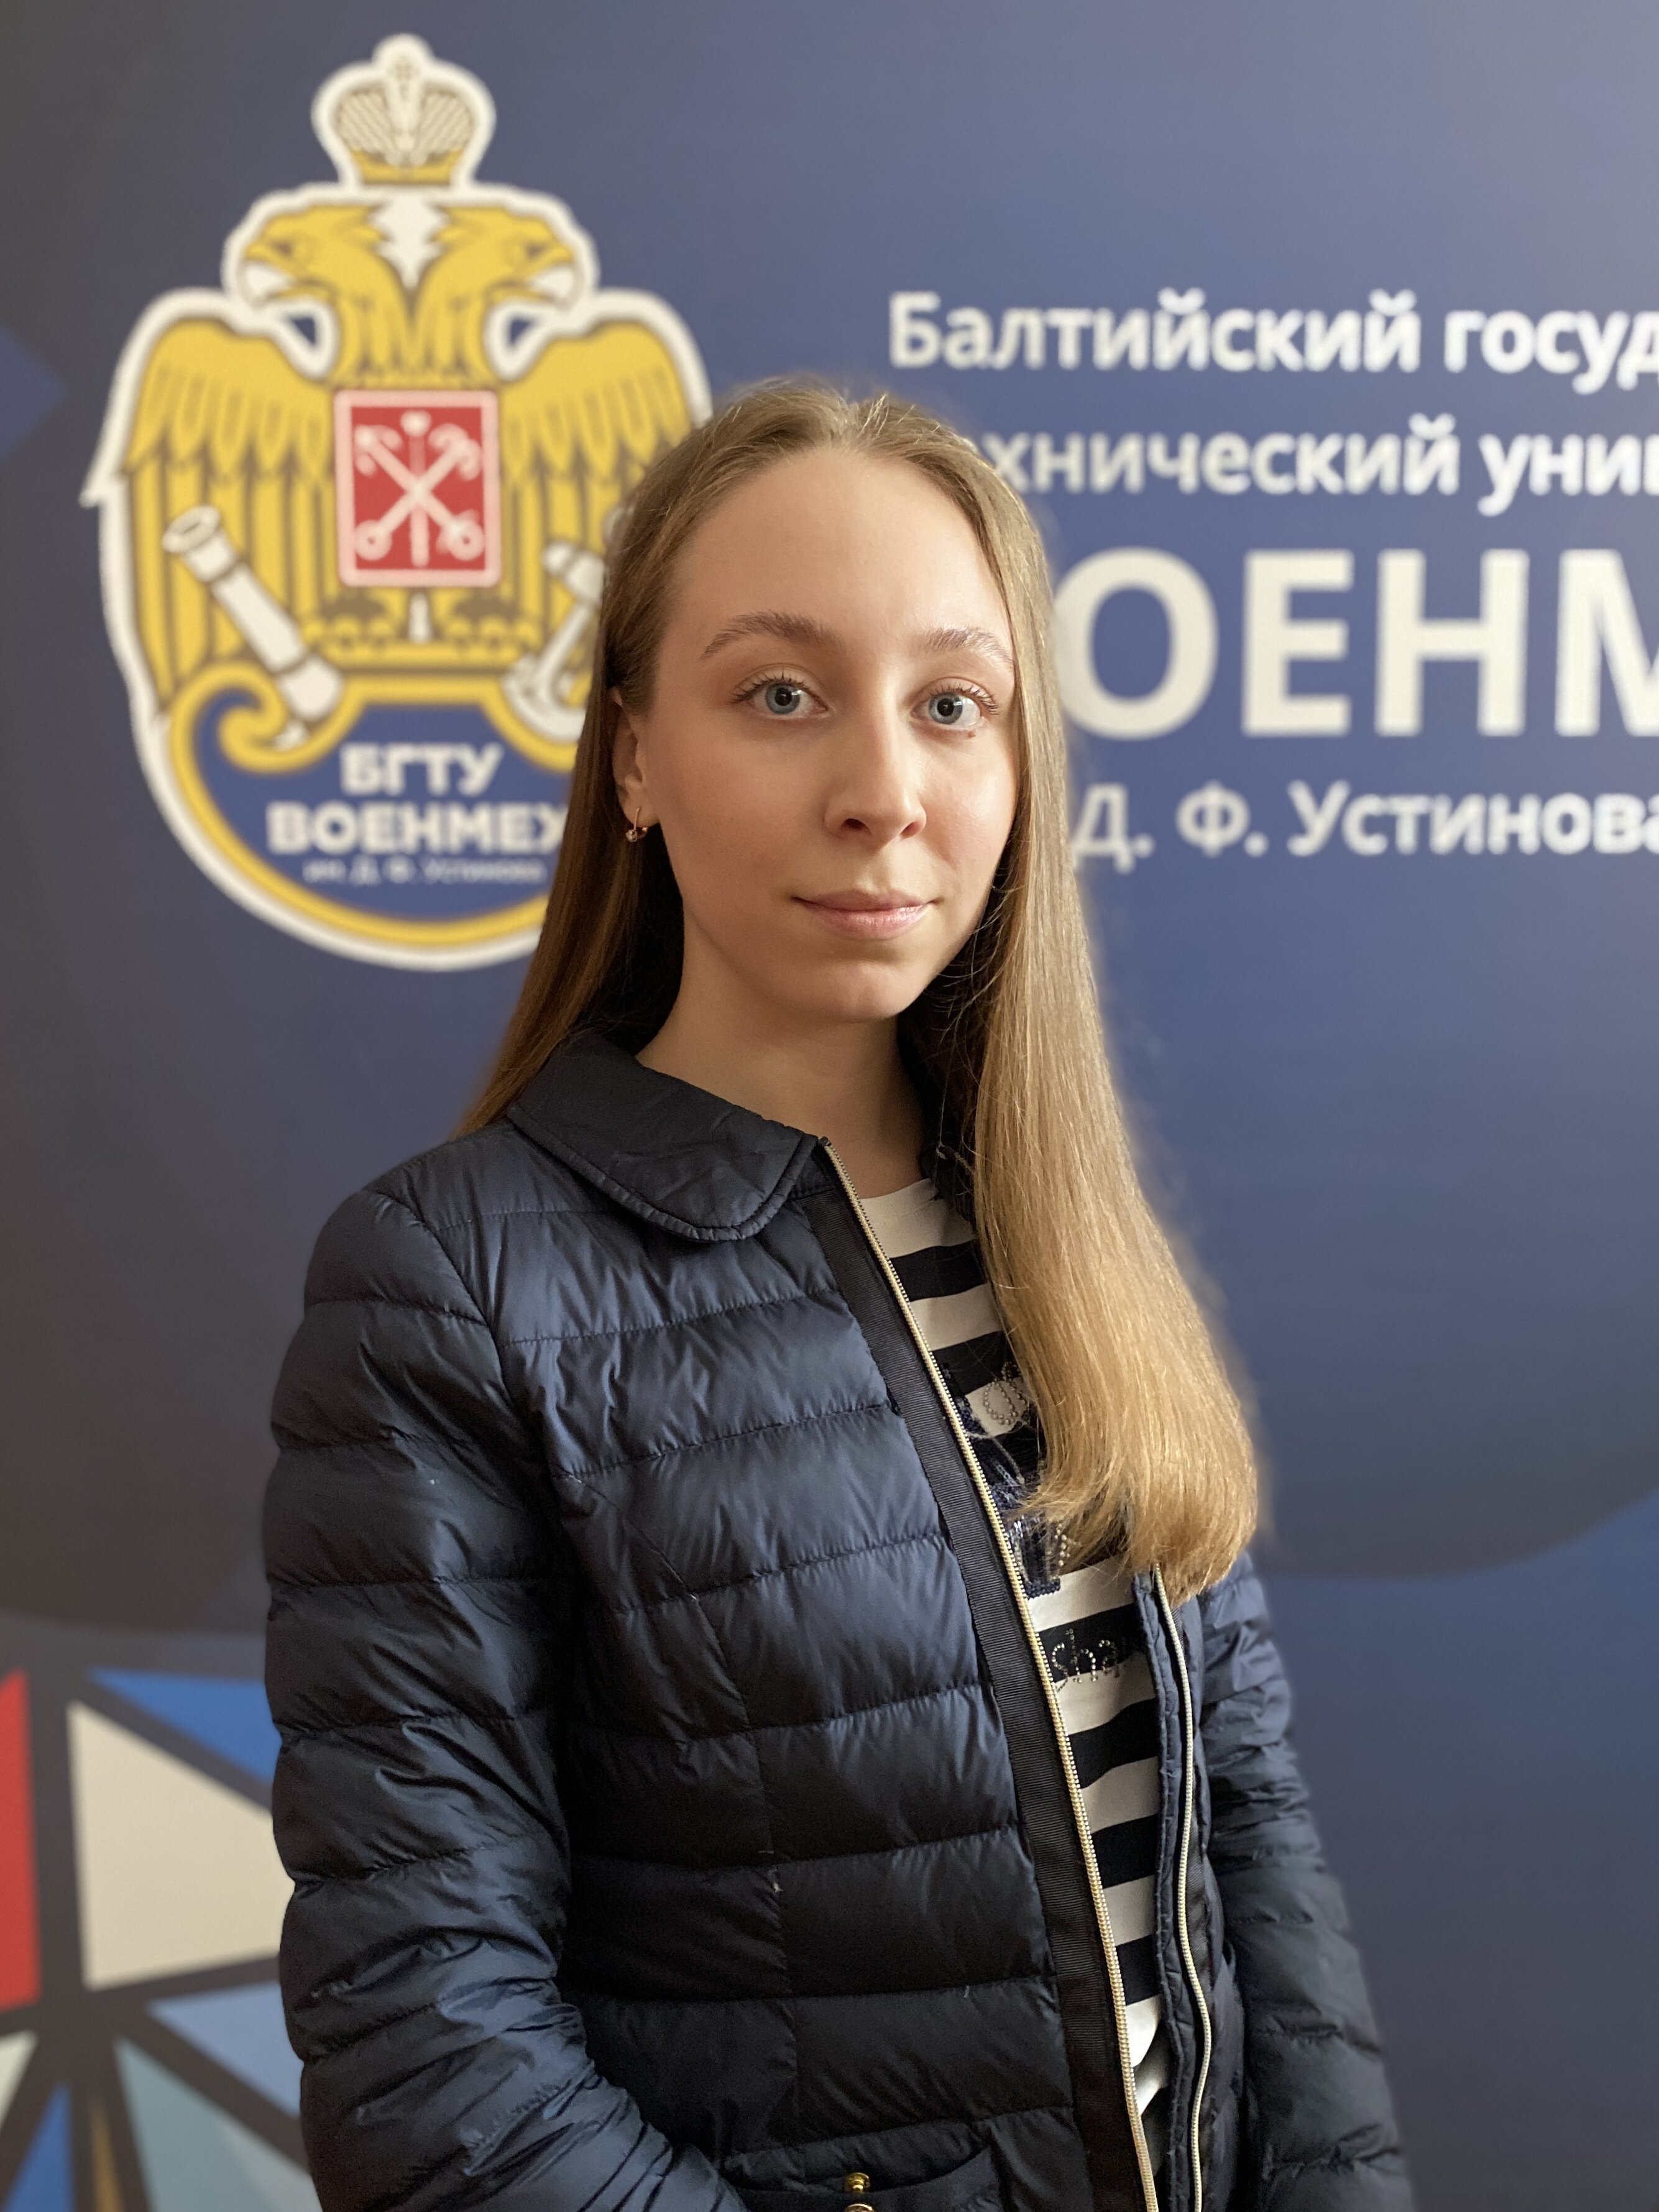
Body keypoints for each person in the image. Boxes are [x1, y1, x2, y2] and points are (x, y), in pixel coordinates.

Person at [264, 384, 1410, 2212]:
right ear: (634, 761)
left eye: (952, 704)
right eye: (782, 694)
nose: (884, 791)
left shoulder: (1071, 1242)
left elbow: (1252, 1851)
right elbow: (433, 2053)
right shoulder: (451, 1287)